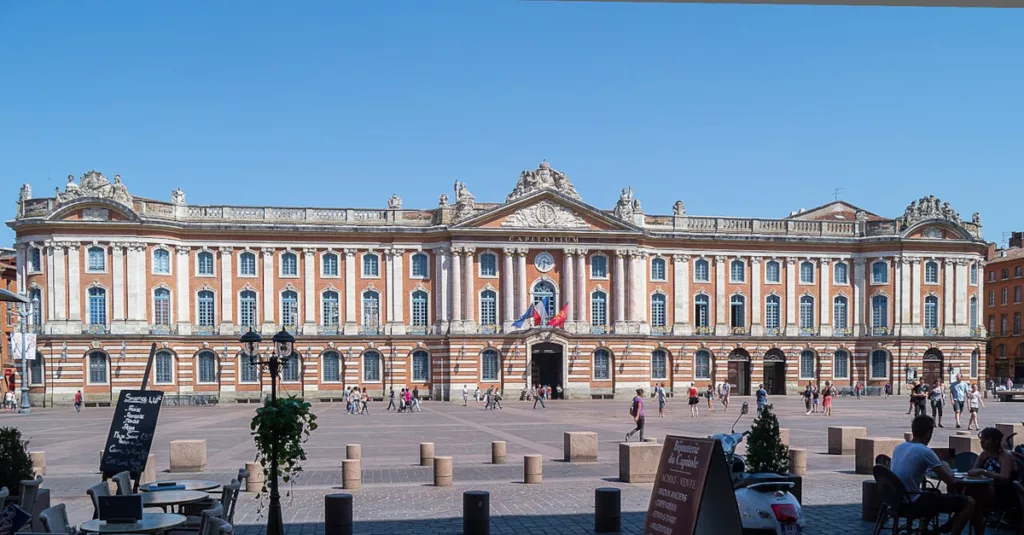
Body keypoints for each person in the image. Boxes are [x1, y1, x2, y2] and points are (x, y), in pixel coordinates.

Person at [891, 415, 974, 535]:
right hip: (913, 502)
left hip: (895, 500)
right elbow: (949, 481)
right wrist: (945, 465)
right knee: (969, 502)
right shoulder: (925, 451)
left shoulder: (899, 447)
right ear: (929, 433)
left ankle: (926, 530)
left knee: (933, 494)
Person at [968, 427, 1019, 533]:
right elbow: (973, 471)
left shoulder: (1005, 456)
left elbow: (1005, 478)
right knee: (967, 494)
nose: (982, 442)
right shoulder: (984, 454)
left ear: (995, 441)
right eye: (981, 439)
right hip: (986, 490)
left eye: (986, 439)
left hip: (1003, 493)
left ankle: (957, 521)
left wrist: (984, 472)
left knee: (974, 500)